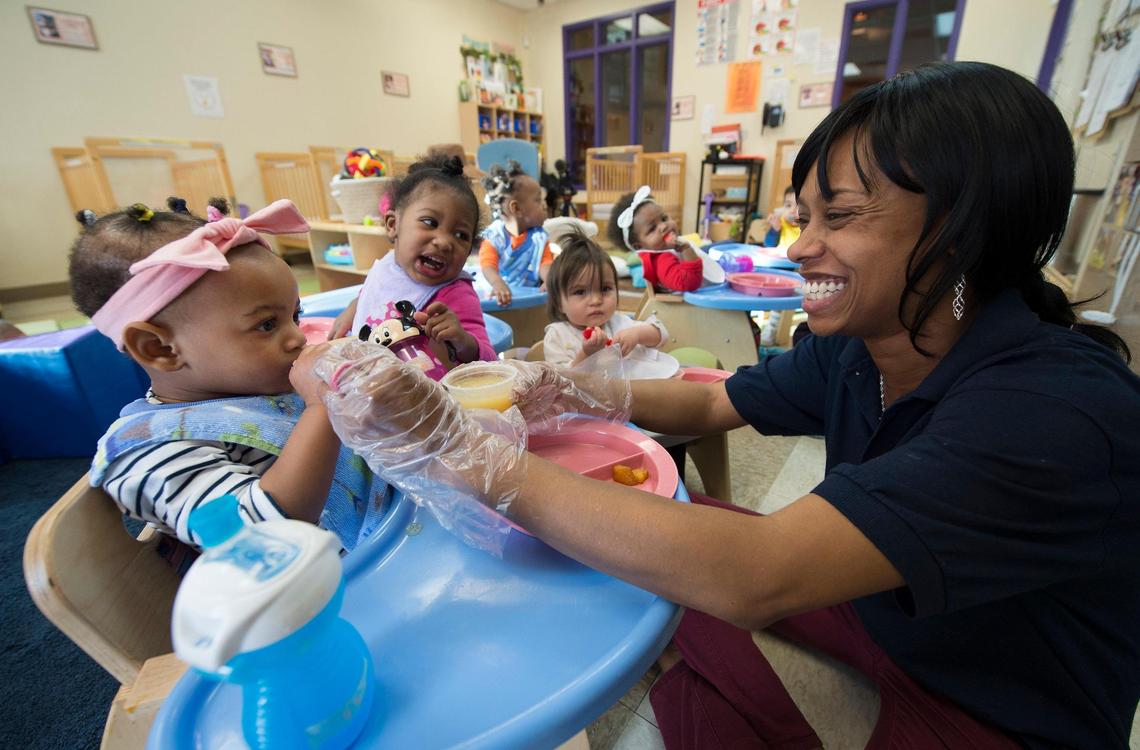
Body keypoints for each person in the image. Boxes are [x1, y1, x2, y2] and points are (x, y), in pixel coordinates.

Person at [306, 62, 1140, 748]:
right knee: (648, 547)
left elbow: (757, 577)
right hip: (891, 615)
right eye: (802, 216)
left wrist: (468, 452)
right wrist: (581, 386)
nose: (802, 247)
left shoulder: (1053, 412)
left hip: (993, 708)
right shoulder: (863, 347)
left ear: (962, 232)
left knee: (695, 578)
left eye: (841, 217)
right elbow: (714, 406)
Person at [71, 197, 388, 552]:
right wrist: (320, 407)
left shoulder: (259, 383)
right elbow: (266, 538)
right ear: (158, 348)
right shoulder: (151, 455)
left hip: (393, 530)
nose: (298, 337)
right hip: (338, 587)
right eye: (267, 324)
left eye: (294, 317)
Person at [329, 155, 497, 372]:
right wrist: (354, 307)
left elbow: (490, 361)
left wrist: (463, 341)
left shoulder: (455, 294)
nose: (445, 242)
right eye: (430, 222)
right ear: (393, 225)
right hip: (367, 384)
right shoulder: (388, 267)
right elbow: (376, 295)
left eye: (461, 235)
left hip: (423, 399)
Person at [542, 230, 667, 367]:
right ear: (559, 303)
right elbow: (561, 379)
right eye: (580, 292)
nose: (596, 301)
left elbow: (661, 334)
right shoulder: (557, 336)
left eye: (605, 289)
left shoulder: (619, 323)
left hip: (627, 387)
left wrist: (637, 334)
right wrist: (586, 354)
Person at [609, 185, 714, 293]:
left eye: (664, 218)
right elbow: (688, 283)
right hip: (690, 304)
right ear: (639, 246)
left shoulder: (670, 248)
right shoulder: (661, 260)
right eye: (652, 229)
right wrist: (685, 249)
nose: (663, 226)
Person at [478, 159, 554, 306]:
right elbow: (488, 265)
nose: (544, 206)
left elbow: (545, 263)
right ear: (517, 209)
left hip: (527, 295)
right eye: (538, 200)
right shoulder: (494, 237)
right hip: (499, 295)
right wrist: (497, 283)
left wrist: (549, 280)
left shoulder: (539, 238)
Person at [764, 184, 801, 249]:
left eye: (799, 206)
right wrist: (774, 230)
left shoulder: (807, 228)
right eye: (788, 205)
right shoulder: (780, 223)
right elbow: (768, 245)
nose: (792, 211)